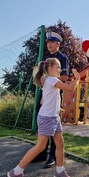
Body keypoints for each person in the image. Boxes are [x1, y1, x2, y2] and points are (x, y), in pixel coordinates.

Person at [7, 57, 80, 177]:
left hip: (53, 117)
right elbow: (70, 88)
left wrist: (55, 107)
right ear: (50, 68)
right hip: (47, 118)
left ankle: (59, 171)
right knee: (40, 146)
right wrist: (77, 78)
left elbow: (42, 101)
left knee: (60, 143)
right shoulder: (52, 80)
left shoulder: (47, 81)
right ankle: (16, 172)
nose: (60, 70)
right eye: (58, 67)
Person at [33, 31, 70, 168]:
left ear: (58, 44)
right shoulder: (45, 58)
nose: (49, 45)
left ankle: (52, 157)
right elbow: (40, 76)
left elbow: (65, 77)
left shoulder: (62, 58)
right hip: (44, 93)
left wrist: (48, 80)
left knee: (54, 126)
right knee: (42, 122)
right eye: (47, 42)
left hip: (53, 94)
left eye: (52, 42)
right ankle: (41, 153)